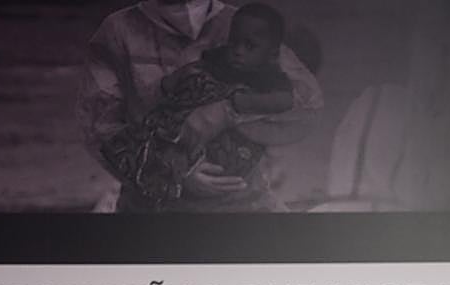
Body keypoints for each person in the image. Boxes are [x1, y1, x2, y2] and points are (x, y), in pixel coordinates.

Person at [77, 0, 323, 212]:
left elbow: (307, 103)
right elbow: (101, 130)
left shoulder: (244, 23)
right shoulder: (118, 32)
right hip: (152, 208)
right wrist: (172, 174)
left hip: (245, 203)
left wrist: (228, 111)